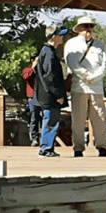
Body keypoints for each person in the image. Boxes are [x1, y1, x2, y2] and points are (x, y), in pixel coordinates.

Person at [64, 15, 106, 158]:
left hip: (97, 87)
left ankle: (103, 147)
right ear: (79, 29)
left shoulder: (100, 45)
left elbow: (105, 65)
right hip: (79, 87)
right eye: (85, 27)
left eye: (91, 26)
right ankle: (78, 148)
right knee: (78, 120)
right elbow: (71, 63)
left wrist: (95, 77)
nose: (89, 29)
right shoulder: (71, 44)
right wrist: (86, 76)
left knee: (100, 118)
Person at [33, 26, 68, 158]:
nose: (62, 37)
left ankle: (47, 148)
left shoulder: (46, 51)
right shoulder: (49, 52)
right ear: (53, 37)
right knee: (51, 121)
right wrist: (58, 95)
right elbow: (50, 77)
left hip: (46, 95)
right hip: (50, 96)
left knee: (50, 121)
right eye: (60, 35)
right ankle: (46, 149)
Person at [21, 61, 40, 146]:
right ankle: (34, 138)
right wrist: (33, 67)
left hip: (42, 97)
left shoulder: (42, 70)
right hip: (32, 97)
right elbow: (26, 76)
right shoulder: (27, 70)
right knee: (34, 117)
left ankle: (43, 138)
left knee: (44, 118)